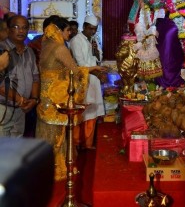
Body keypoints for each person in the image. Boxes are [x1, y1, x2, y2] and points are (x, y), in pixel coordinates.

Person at [36, 17, 107, 181]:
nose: (70, 32)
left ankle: (45, 168)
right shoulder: (60, 48)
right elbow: (75, 71)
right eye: (67, 30)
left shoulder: (46, 45)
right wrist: (93, 68)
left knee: (47, 132)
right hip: (56, 97)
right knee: (58, 134)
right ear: (58, 31)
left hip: (46, 97)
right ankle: (59, 169)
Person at [70, 15, 107, 149]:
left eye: (95, 29)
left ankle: (88, 143)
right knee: (83, 112)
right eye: (90, 28)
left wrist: (96, 50)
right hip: (83, 80)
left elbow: (98, 58)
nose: (92, 31)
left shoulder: (94, 40)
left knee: (92, 112)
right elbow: (81, 64)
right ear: (84, 26)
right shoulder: (76, 41)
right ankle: (77, 143)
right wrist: (98, 72)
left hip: (94, 79)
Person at [0, 15, 40, 137]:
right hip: (3, 108)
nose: (21, 31)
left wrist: (34, 99)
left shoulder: (29, 52)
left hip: (21, 109)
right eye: (16, 27)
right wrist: (20, 99)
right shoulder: (2, 50)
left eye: (24, 28)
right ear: (8, 30)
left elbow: (35, 77)